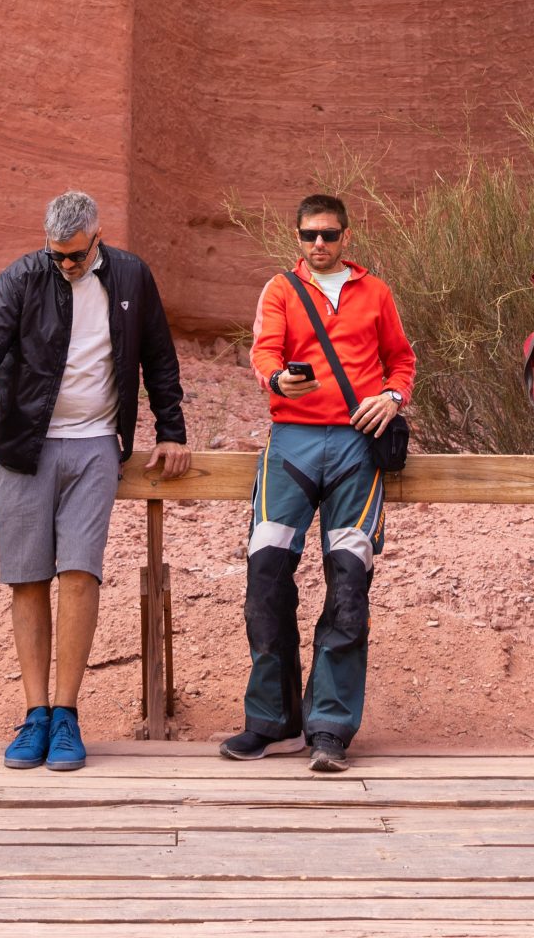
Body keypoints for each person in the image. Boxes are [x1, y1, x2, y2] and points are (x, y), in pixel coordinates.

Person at [0, 190, 190, 773]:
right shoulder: (22, 277)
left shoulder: (130, 277)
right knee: (27, 578)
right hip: (23, 446)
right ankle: (36, 714)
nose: (66, 266)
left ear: (97, 238)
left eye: (75, 256)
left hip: (97, 446)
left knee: (80, 573)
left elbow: (159, 355)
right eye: (57, 256)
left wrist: (171, 429)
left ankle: (68, 713)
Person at [221, 192, 415, 774]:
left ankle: (330, 727)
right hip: (293, 445)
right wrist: (280, 381)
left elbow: (401, 360)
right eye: (309, 236)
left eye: (329, 235)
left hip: (356, 448)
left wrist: (391, 396)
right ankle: (273, 722)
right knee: (266, 574)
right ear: (298, 237)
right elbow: (264, 354)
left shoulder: (375, 291)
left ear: (347, 236)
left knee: (349, 582)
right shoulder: (282, 289)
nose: (319, 245)